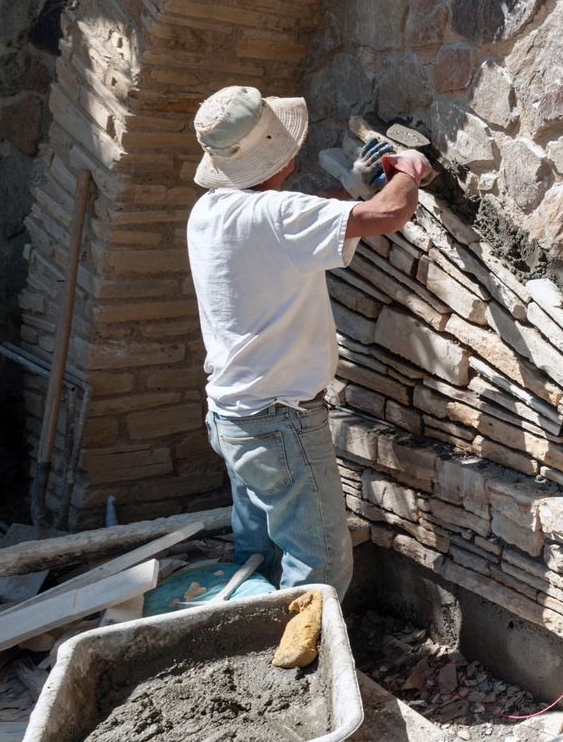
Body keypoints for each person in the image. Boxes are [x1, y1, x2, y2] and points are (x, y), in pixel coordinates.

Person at [185, 85, 431, 595]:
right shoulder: (276, 217)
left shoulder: (209, 210)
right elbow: (391, 215)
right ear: (278, 151)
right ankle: (305, 672)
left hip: (232, 418)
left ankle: (252, 646)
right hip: (280, 425)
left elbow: (293, 220)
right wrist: (408, 171)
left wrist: (352, 189)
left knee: (258, 555)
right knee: (319, 570)